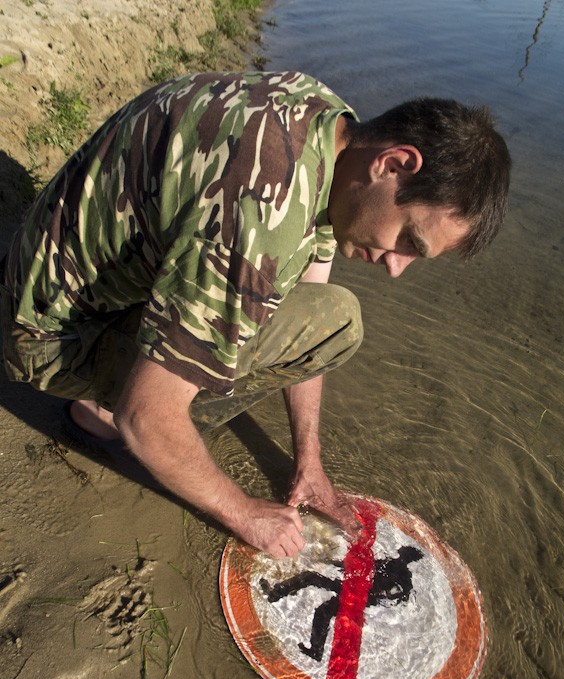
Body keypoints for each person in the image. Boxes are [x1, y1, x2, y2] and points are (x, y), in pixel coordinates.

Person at [0, 71, 511, 559]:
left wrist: (308, 459)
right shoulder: (261, 218)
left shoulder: (323, 120)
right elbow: (147, 415)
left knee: (331, 319)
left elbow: (311, 309)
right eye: (409, 241)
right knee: (327, 325)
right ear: (393, 164)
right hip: (49, 338)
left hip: (49, 267)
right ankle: (96, 413)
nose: (397, 268)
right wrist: (245, 513)